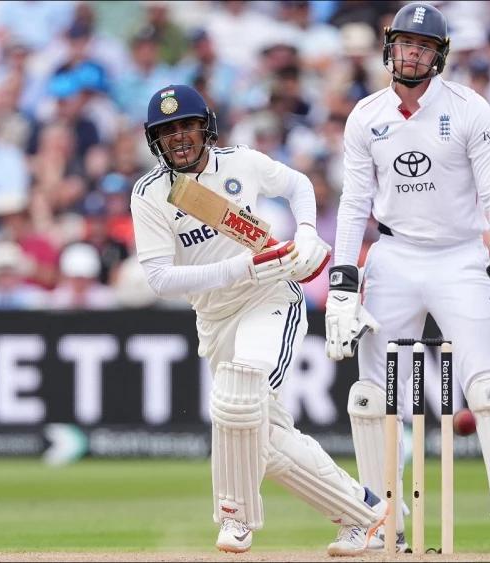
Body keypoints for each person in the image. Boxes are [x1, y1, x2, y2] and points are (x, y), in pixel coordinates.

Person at [325, 3, 490, 555]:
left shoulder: (469, 110)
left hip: (460, 257)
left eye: (423, 46)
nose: (411, 53)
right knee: (370, 399)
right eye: (404, 44)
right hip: (392, 256)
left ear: (439, 56)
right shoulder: (366, 115)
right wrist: (343, 281)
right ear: (390, 48)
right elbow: (354, 200)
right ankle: (384, 521)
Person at [130, 84, 386, 556]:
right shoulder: (150, 194)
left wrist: (307, 232)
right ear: (155, 141)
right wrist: (240, 266)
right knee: (261, 438)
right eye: (168, 132)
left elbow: (298, 186)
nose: (179, 138)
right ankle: (367, 515)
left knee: (238, 394)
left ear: (204, 127)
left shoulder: (241, 163)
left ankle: (235, 518)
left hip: (270, 296)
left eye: (186, 125)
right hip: (215, 316)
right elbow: (161, 280)